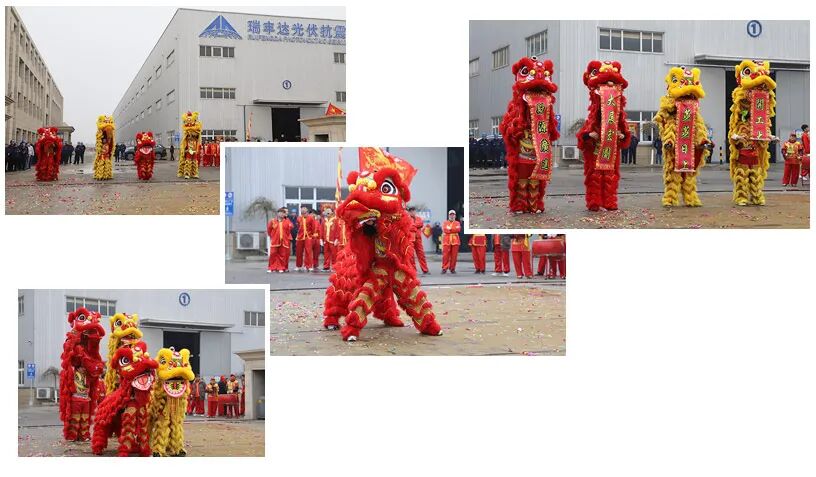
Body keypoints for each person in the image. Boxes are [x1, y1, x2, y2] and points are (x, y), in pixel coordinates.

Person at [267, 207, 294, 273]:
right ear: (277, 213)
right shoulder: (272, 221)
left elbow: (289, 230)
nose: (281, 214)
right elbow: (269, 230)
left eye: (283, 213)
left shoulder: (287, 221)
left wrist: (286, 237)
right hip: (275, 241)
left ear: (284, 214)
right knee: (273, 254)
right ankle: (271, 267)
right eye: (280, 213)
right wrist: (272, 236)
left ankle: (280, 267)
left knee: (282, 255)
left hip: (283, 241)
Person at [408, 207, 429, 274]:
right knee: (411, 255)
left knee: (421, 254)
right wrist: (415, 226)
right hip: (410, 239)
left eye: (413, 211)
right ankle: (414, 270)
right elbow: (409, 227)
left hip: (418, 239)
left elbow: (421, 224)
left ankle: (425, 269)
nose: (412, 212)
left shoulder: (419, 218)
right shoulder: (407, 219)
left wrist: (413, 226)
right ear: (409, 212)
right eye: (411, 211)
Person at [295, 206, 315, 272]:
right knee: (299, 252)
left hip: (308, 237)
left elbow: (313, 228)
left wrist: (311, 235)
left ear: (307, 212)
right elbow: (297, 227)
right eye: (302, 212)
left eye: (305, 212)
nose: (303, 214)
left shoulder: (311, 218)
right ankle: (298, 266)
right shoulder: (298, 218)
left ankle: (309, 266)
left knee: (308, 252)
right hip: (300, 237)